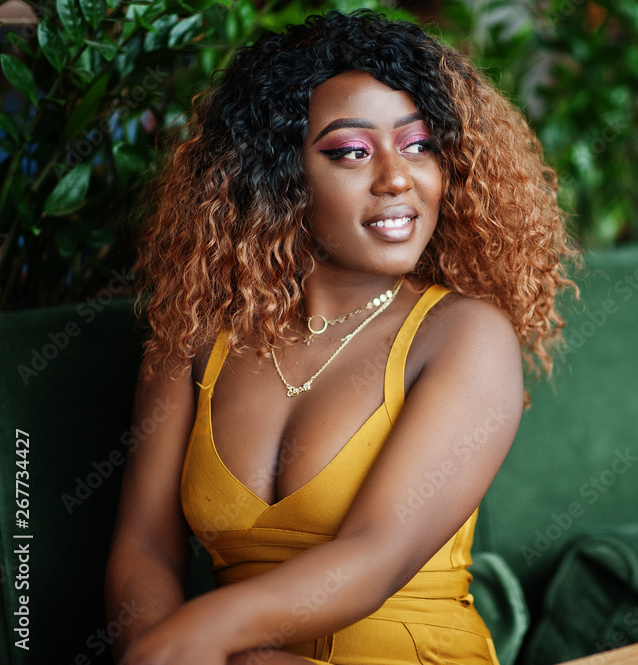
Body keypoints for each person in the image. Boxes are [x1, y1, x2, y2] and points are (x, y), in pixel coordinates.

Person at [104, 8, 576, 665]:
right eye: (351, 151)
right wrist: (156, 649)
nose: (397, 177)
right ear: (277, 175)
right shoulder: (192, 334)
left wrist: (201, 641)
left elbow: (374, 554)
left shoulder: (464, 334)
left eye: (419, 144)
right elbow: (144, 548)